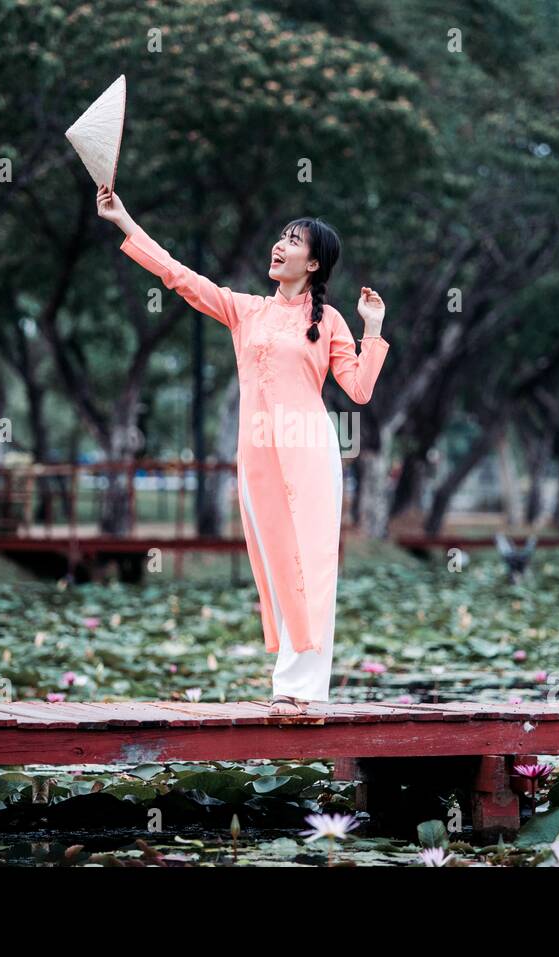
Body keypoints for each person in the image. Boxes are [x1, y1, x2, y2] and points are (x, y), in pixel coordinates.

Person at [96, 185, 391, 716]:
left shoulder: (329, 322)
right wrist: (124, 222)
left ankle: (303, 694)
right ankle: (291, 687)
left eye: (294, 240)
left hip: (308, 450)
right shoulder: (245, 310)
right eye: (281, 236)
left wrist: (373, 329)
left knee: (311, 562)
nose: (280, 245)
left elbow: (360, 390)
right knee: (275, 563)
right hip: (257, 452)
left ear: (314, 261)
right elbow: (179, 277)